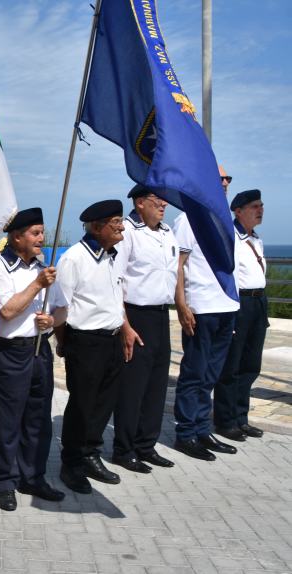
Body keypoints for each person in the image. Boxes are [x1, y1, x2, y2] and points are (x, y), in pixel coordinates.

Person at [0, 208, 65, 511]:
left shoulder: (43, 268)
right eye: (35, 233)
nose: (41, 239)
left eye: (42, 233)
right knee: (8, 420)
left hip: (39, 348)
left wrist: (50, 320)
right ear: (16, 236)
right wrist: (37, 285)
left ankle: (32, 476)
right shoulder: (0, 267)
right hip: (11, 351)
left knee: (38, 419)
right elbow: (6, 310)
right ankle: (4, 479)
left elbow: (60, 309)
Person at [52, 200, 125, 494]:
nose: (121, 227)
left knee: (104, 402)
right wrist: (63, 342)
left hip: (112, 338)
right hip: (85, 342)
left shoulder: (111, 257)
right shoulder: (74, 259)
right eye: (116, 222)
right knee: (82, 405)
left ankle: (91, 454)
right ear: (97, 227)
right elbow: (60, 307)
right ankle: (71, 464)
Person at [171, 167, 239, 461]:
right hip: (202, 308)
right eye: (219, 178)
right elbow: (178, 265)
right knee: (194, 373)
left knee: (211, 374)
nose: (225, 182)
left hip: (226, 306)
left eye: (228, 179)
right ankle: (186, 433)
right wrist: (182, 306)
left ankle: (202, 428)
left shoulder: (222, 217)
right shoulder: (188, 218)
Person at [112, 185, 178, 473]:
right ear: (140, 203)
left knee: (156, 385)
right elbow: (115, 281)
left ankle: (146, 445)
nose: (164, 203)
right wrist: (125, 325)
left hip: (161, 315)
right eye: (156, 200)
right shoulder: (128, 232)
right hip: (136, 315)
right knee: (132, 387)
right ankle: (124, 450)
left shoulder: (166, 232)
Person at [214, 189, 268, 441]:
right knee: (232, 366)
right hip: (240, 303)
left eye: (261, 205)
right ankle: (225, 421)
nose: (260, 210)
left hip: (258, 302)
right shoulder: (231, 237)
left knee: (250, 365)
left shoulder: (255, 239)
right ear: (239, 211)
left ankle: (240, 418)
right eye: (254, 206)